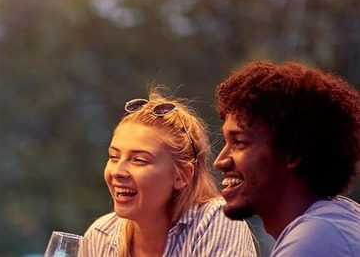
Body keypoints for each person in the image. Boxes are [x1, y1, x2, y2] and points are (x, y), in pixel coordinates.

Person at [80, 90, 256, 257]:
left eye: (139, 160)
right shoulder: (100, 235)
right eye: (114, 157)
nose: (118, 172)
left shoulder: (216, 220)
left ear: (182, 176)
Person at [214, 61, 360, 256]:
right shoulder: (335, 221)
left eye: (239, 143)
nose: (219, 162)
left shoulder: (314, 242)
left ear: (291, 153)